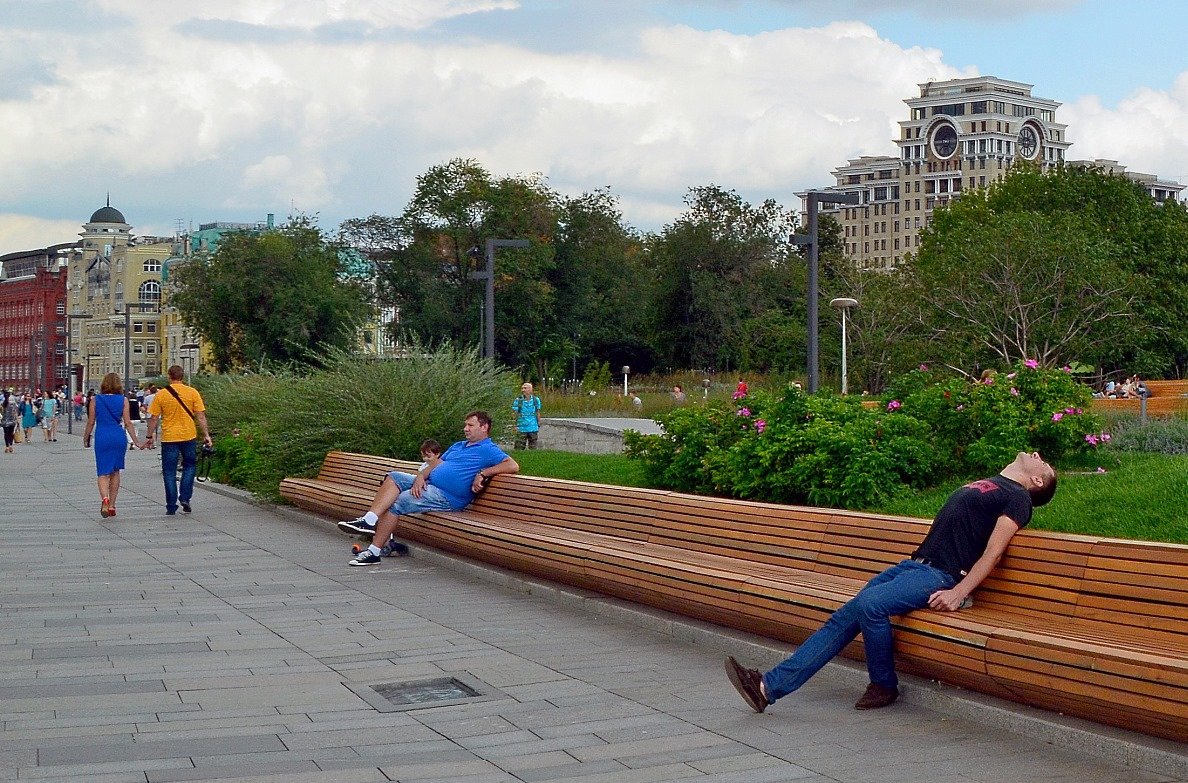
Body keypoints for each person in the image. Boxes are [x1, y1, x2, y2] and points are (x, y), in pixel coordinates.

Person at [725, 451, 1058, 714]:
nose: (1036, 454)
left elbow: (994, 552)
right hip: (912, 567)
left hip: (939, 574)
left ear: (1037, 481)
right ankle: (767, 687)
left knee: (870, 606)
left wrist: (959, 592)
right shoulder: (993, 483)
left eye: (1042, 462)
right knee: (846, 615)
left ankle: (883, 685)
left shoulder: (1019, 499)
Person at [339, 411, 519, 566]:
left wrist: (483, 473)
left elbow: (512, 465)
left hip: (447, 497)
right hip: (430, 484)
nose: (466, 429)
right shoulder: (458, 446)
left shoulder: (489, 449)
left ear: (484, 427)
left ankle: (373, 552)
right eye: (465, 425)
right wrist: (420, 476)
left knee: (399, 501)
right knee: (394, 476)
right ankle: (369, 520)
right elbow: (436, 464)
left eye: (470, 425)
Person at [144, 365, 213, 515]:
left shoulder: (161, 395)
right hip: (189, 435)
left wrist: (149, 436)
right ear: (182, 376)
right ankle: (185, 498)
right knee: (189, 466)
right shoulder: (192, 392)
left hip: (169, 438)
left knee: (169, 471)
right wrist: (206, 435)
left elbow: (153, 418)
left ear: (169, 376)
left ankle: (171, 505)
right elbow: (200, 416)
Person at [83, 373, 146, 517]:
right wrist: (136, 441)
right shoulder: (123, 400)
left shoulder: (95, 400)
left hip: (102, 436)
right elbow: (128, 422)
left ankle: (104, 499)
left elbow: (91, 422)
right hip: (118, 436)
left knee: (103, 471)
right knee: (115, 471)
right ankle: (112, 506)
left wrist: (86, 437)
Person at [512, 382, 542, 450]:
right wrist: (515, 425)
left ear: (530, 390)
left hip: (533, 426)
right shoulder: (518, 400)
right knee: (519, 447)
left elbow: (537, 412)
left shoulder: (536, 400)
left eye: (525, 388)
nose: (523, 390)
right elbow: (515, 413)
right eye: (522, 388)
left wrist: (538, 423)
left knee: (533, 447)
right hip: (521, 426)